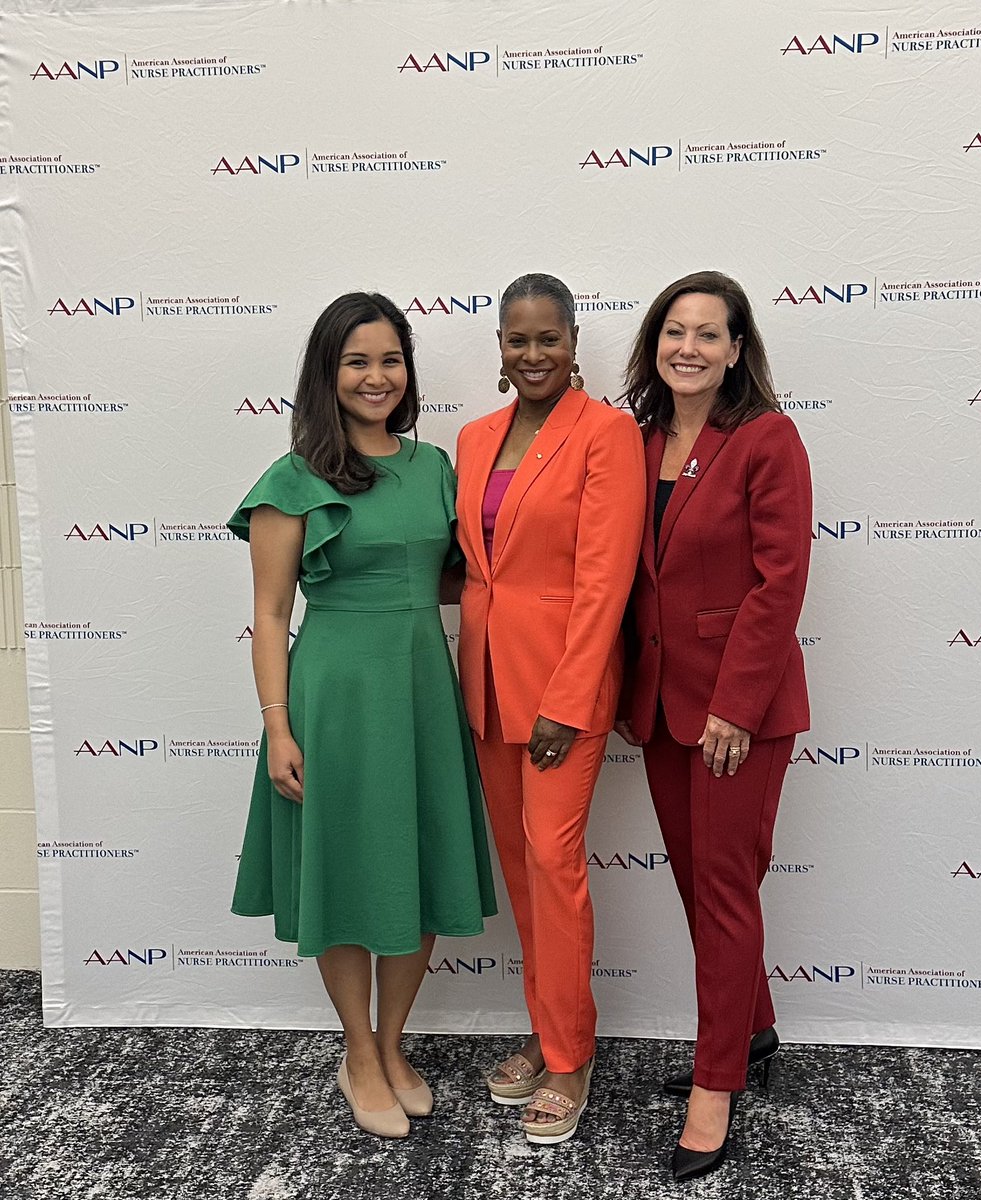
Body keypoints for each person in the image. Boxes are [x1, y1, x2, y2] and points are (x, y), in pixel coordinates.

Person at [227, 293, 496, 1140]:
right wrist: (278, 725)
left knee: (416, 870)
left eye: (390, 359)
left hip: (422, 686)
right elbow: (271, 614)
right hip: (334, 695)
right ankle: (357, 1052)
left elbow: (463, 574)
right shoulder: (293, 478)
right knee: (345, 875)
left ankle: (388, 1044)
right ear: (327, 373)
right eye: (356, 362)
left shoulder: (434, 466)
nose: (376, 377)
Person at [615, 271, 811, 1181]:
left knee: (726, 891)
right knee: (703, 888)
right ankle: (756, 1029)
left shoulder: (767, 439)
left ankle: (716, 1082)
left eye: (708, 334)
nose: (687, 347)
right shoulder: (639, 440)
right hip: (660, 705)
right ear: (655, 344)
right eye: (673, 332)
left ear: (737, 349)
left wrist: (736, 704)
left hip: (738, 711)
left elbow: (779, 585)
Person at [454, 273, 646, 1145]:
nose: (532, 355)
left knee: (555, 867)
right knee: (522, 876)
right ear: (498, 346)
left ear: (575, 343)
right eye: (516, 340)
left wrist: (568, 703)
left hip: (563, 695)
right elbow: (473, 567)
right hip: (487, 688)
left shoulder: (606, 434)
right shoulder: (472, 437)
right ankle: (545, 1030)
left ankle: (572, 1058)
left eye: (548, 340)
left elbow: (604, 584)